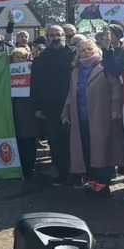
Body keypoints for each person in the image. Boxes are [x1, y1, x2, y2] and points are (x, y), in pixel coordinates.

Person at [61, 40, 124, 197]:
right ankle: (92, 182)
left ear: (96, 49)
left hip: (100, 116)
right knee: (87, 151)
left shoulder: (105, 67)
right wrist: (65, 113)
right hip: (80, 118)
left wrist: (115, 109)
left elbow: (115, 88)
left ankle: (103, 185)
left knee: (102, 151)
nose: (86, 52)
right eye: (82, 50)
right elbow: (71, 94)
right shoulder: (75, 71)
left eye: (89, 48)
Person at [30, 25, 75, 186]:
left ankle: (77, 173)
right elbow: (35, 84)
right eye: (52, 35)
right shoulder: (41, 58)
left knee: (74, 140)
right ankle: (62, 172)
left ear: (64, 36)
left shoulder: (74, 54)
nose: (56, 38)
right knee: (55, 141)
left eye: (58, 35)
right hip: (51, 107)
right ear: (47, 38)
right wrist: (37, 107)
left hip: (73, 104)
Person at [9, 47, 39, 179]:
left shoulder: (31, 69)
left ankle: (29, 168)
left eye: (23, 57)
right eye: (18, 57)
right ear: (12, 59)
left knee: (29, 141)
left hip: (27, 110)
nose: (20, 60)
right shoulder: (6, 70)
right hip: (13, 109)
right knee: (18, 141)